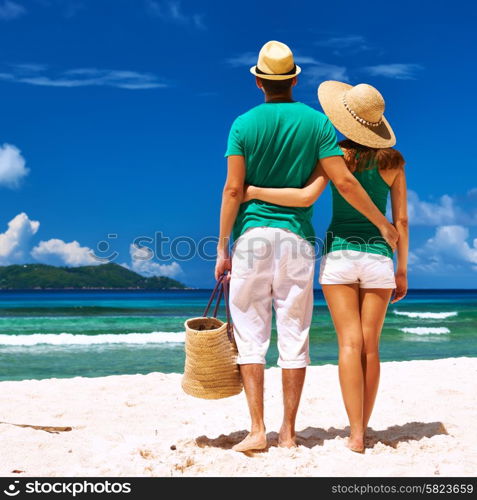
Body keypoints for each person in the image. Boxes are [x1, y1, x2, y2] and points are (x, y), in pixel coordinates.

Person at [215, 41, 398, 453]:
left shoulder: (242, 124)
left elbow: (232, 190)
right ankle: (288, 433)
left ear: (259, 81)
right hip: (297, 240)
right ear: (295, 79)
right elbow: (346, 183)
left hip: (252, 237)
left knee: (251, 333)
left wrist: (222, 247)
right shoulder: (317, 124)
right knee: (294, 332)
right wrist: (382, 223)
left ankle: (258, 429)